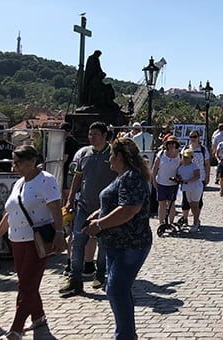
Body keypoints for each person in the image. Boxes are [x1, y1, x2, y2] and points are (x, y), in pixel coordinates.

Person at [0, 145, 65, 339]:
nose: (15, 166)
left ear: (31, 161)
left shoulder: (46, 180)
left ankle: (16, 329)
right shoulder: (19, 183)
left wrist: (59, 233)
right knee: (27, 282)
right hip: (16, 239)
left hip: (36, 241)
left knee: (26, 286)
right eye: (14, 161)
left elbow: (55, 207)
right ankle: (38, 317)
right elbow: (9, 214)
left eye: (18, 162)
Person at [83, 138, 152, 340]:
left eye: (111, 155)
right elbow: (116, 203)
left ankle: (125, 336)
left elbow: (129, 209)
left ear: (120, 156)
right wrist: (100, 212)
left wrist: (99, 224)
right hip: (115, 244)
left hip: (130, 244)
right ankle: (127, 334)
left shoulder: (131, 177)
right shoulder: (123, 176)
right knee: (119, 290)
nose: (109, 160)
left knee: (115, 290)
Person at [61, 121, 116, 295]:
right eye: (90, 134)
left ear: (105, 136)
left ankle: (100, 273)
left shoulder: (114, 153)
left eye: (95, 134)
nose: (91, 137)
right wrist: (70, 200)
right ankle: (75, 278)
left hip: (105, 207)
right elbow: (77, 178)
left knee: (103, 242)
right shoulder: (83, 154)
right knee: (78, 241)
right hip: (84, 204)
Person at [151, 136, 181, 224]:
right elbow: (155, 168)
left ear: (176, 145)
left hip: (173, 183)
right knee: (162, 203)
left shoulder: (179, 155)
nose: (171, 145)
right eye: (169, 143)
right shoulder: (161, 154)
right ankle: (161, 223)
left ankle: (171, 223)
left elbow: (181, 168)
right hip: (161, 182)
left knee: (171, 204)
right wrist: (153, 180)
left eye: (173, 143)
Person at [176, 145, 205, 232]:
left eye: (187, 157)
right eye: (184, 157)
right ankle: (195, 221)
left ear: (191, 158)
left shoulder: (194, 166)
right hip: (186, 188)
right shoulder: (180, 168)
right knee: (191, 205)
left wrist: (188, 181)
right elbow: (179, 176)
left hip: (196, 187)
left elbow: (197, 176)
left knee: (195, 205)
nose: (185, 159)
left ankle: (195, 223)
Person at [60, 122, 80, 201]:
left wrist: (59, 165)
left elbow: (65, 157)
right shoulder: (75, 141)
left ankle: (66, 207)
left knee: (65, 190)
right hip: (73, 168)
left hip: (66, 169)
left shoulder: (66, 142)